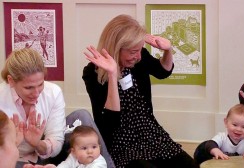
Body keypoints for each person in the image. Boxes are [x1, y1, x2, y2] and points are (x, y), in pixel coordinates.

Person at [82, 14, 198, 168]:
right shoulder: (92, 73)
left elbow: (163, 72)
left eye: (139, 50)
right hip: (120, 142)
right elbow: (110, 121)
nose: (137, 56)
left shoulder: (140, 57)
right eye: (132, 52)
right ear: (116, 48)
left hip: (150, 133)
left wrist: (168, 50)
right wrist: (112, 74)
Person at [0, 48, 114, 168]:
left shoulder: (53, 92)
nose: (36, 93)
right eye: (28, 87)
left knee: (82, 115)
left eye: (40, 84)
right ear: (11, 81)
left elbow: (56, 141)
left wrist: (37, 143)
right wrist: (14, 142)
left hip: (47, 155)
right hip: (14, 159)